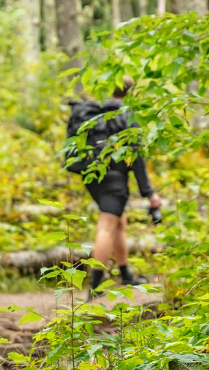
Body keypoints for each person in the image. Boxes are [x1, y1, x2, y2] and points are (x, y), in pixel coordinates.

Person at [81, 77, 163, 296]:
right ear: (130, 93)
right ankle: (95, 286)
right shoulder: (127, 117)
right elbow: (136, 158)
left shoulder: (97, 114)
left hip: (92, 177)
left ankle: (126, 275)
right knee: (106, 226)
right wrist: (150, 194)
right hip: (114, 180)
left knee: (119, 223)